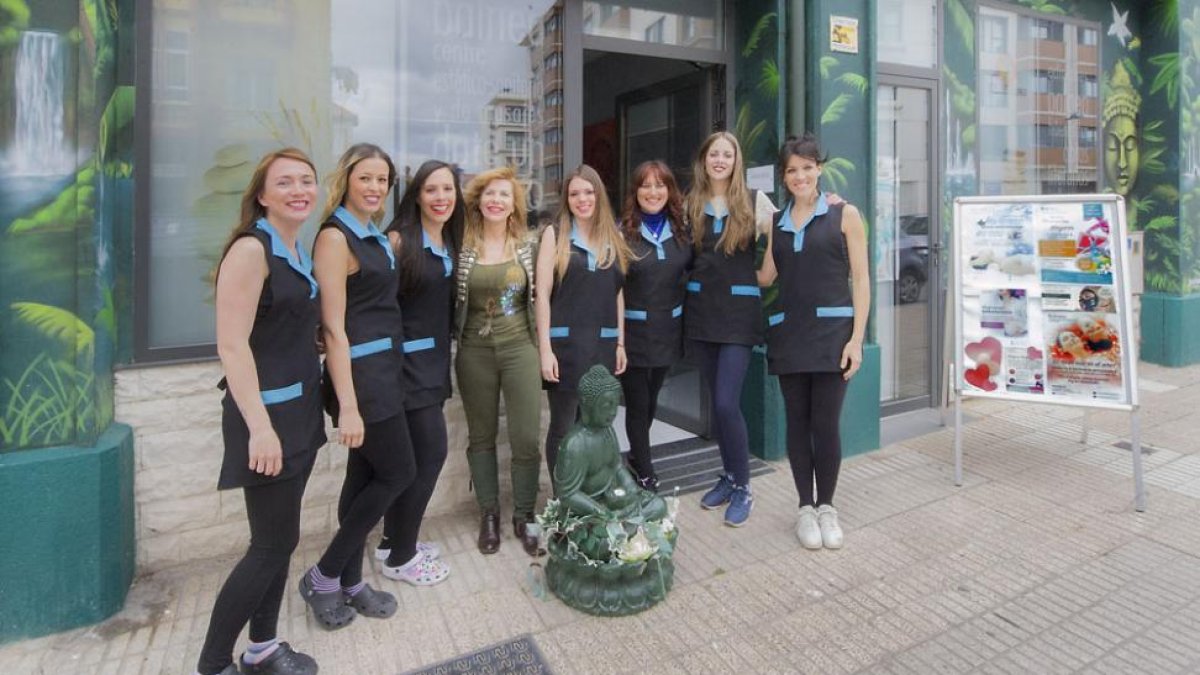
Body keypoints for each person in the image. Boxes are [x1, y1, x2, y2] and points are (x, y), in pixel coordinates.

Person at [196, 148, 324, 675]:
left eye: (307, 181)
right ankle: (211, 664)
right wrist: (260, 429)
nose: (299, 190)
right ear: (263, 195)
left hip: (300, 411)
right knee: (270, 545)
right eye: (286, 182)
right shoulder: (252, 250)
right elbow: (232, 346)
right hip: (266, 420)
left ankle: (263, 648)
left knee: (283, 539)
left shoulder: (294, 247)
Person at [301, 143, 412, 629]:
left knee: (363, 479)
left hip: (386, 371)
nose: (374, 187)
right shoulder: (334, 238)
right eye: (366, 177)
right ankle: (324, 575)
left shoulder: (376, 238)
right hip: (361, 382)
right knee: (398, 472)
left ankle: (349, 581)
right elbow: (334, 328)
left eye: (383, 180)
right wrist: (347, 405)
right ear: (347, 179)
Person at [758, 133, 869, 550]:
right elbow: (767, 275)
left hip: (832, 336)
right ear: (783, 177)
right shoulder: (776, 223)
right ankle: (805, 507)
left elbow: (861, 280)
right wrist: (718, 270)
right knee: (797, 424)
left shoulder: (845, 214)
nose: (800, 176)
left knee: (825, 425)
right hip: (790, 334)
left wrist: (856, 340)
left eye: (807, 167)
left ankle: (828, 508)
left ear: (819, 168)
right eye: (792, 170)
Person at [372, 160, 464, 585]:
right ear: (416, 196)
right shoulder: (398, 241)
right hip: (406, 368)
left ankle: (394, 541)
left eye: (448, 189)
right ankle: (402, 558)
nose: (441, 197)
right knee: (428, 456)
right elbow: (377, 309)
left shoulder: (448, 239)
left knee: (416, 459)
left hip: (432, 364)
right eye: (431, 190)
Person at [683, 131, 777, 527]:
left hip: (738, 315)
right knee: (717, 406)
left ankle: (743, 486)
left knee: (725, 403)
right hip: (702, 313)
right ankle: (728, 474)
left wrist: (759, 276)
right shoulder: (690, 203)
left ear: (737, 161)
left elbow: (775, 256)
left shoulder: (755, 202)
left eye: (728, 154)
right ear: (704, 160)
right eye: (714, 154)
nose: (720, 160)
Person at [455, 166, 544, 556]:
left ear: (514, 204)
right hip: (473, 352)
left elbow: (544, 296)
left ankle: (524, 514)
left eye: (504, 195)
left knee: (525, 436)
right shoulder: (461, 244)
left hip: (520, 347)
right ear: (479, 200)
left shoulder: (529, 244)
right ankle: (488, 512)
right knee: (481, 436)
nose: (496, 200)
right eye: (489, 194)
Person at [536, 165, 632, 480]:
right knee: (563, 428)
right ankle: (563, 505)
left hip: (603, 346)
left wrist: (620, 341)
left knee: (597, 426)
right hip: (566, 348)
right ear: (566, 198)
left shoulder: (612, 234)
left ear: (598, 194)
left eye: (588, 192)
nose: (582, 199)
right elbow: (543, 295)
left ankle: (591, 494)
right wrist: (545, 351)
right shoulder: (555, 233)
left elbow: (617, 292)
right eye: (575, 193)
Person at [617, 160, 692, 491]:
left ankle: (636, 456)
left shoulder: (682, 231)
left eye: (660, 185)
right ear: (635, 192)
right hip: (633, 335)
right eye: (645, 186)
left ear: (669, 190)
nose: (653, 192)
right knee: (637, 403)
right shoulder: (622, 234)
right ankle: (645, 473)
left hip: (668, 333)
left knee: (651, 401)